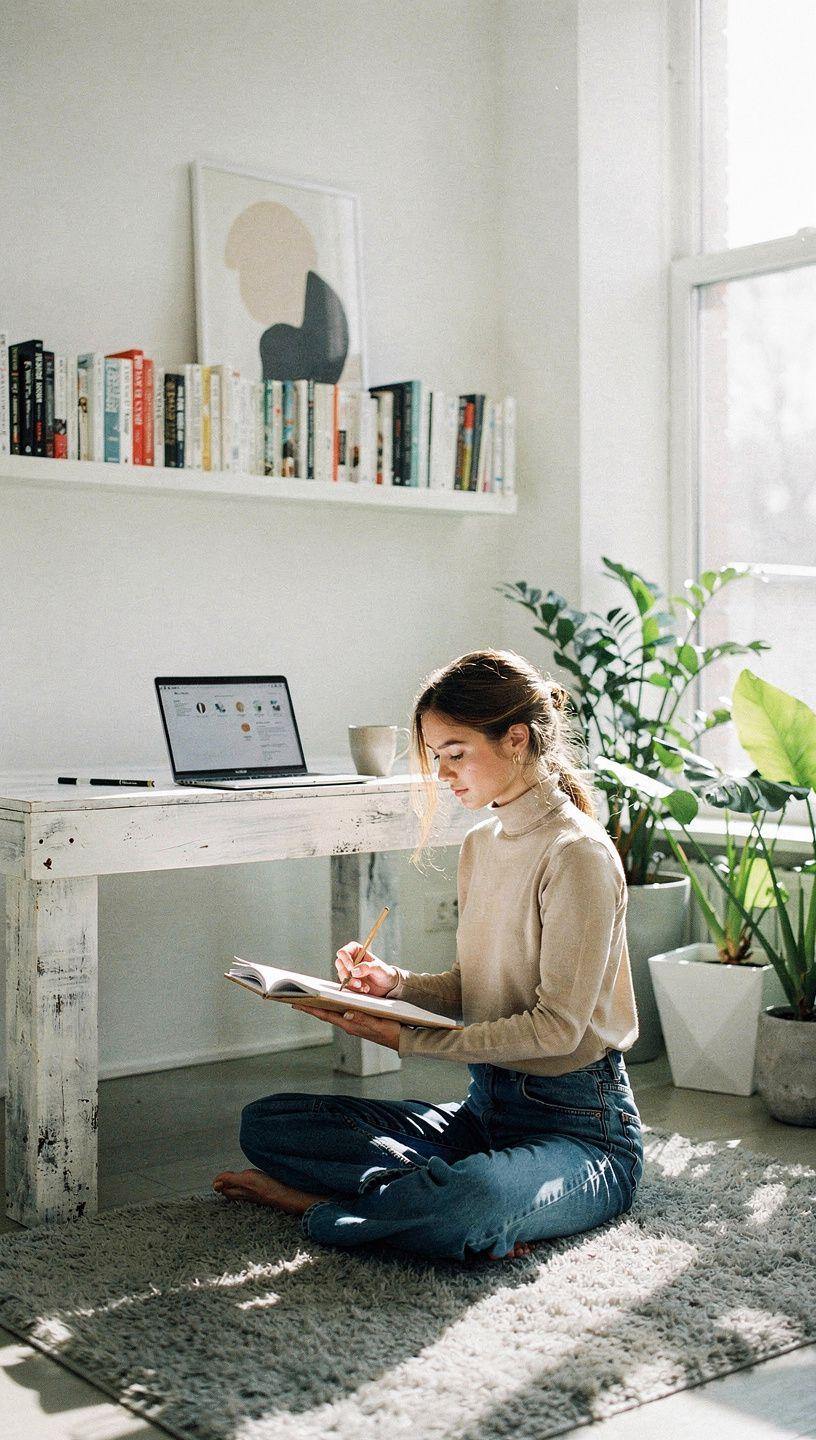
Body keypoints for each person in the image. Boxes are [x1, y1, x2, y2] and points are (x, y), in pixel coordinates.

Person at [213, 650, 643, 1262]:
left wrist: (407, 1041)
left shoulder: (577, 854)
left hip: (581, 1133)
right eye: (436, 757)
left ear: (516, 739)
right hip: (484, 1113)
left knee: (478, 1196)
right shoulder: (483, 843)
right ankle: (417, 1207)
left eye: (455, 753)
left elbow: (557, 1028)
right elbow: (474, 988)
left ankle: (325, 1208)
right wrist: (396, 985)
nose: (444, 774)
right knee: (269, 1122)